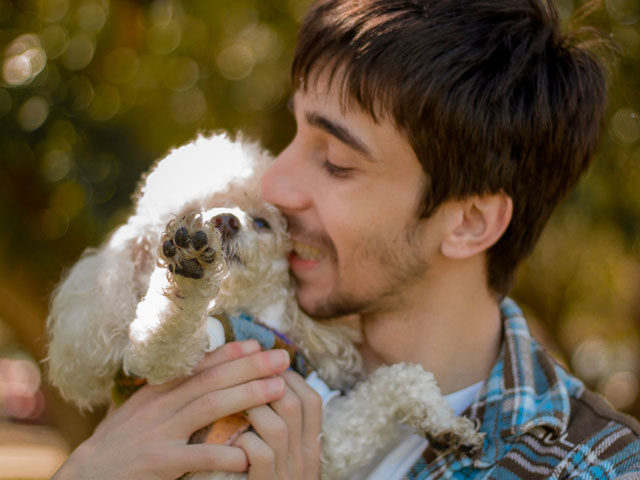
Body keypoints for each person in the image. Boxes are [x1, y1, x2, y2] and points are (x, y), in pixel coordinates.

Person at [52, 0, 640, 479]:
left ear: (468, 223)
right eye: (294, 131)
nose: (275, 184)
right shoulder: (199, 355)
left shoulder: (592, 467)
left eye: (335, 161)